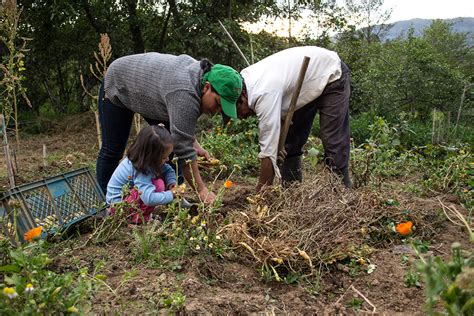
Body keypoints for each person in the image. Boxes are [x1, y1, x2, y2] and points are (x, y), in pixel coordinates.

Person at [97, 52, 242, 204]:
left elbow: (182, 130)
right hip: (119, 82)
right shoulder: (185, 93)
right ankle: (106, 205)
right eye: (218, 103)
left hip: (152, 95)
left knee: (168, 147)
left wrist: (194, 144)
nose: (218, 110)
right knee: (112, 150)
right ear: (207, 87)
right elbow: (184, 150)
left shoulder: (198, 80)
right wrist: (201, 190)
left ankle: (175, 197)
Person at [235, 46, 352, 190]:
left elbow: (268, 153)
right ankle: (291, 192)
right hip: (304, 81)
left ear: (242, 97)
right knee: (291, 139)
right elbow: (279, 115)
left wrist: (261, 194)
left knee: (332, 138)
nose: (241, 117)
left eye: (238, 112)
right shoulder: (242, 82)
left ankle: (341, 193)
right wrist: (278, 146)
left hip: (331, 73)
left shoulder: (263, 93)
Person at [106, 124, 176, 224]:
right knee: (158, 184)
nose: (167, 159)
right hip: (119, 208)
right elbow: (149, 199)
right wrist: (172, 194)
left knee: (159, 179)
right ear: (150, 156)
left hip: (128, 198)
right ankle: (137, 218)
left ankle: (141, 215)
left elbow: (168, 170)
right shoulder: (140, 169)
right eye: (164, 158)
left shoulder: (145, 160)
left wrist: (171, 182)